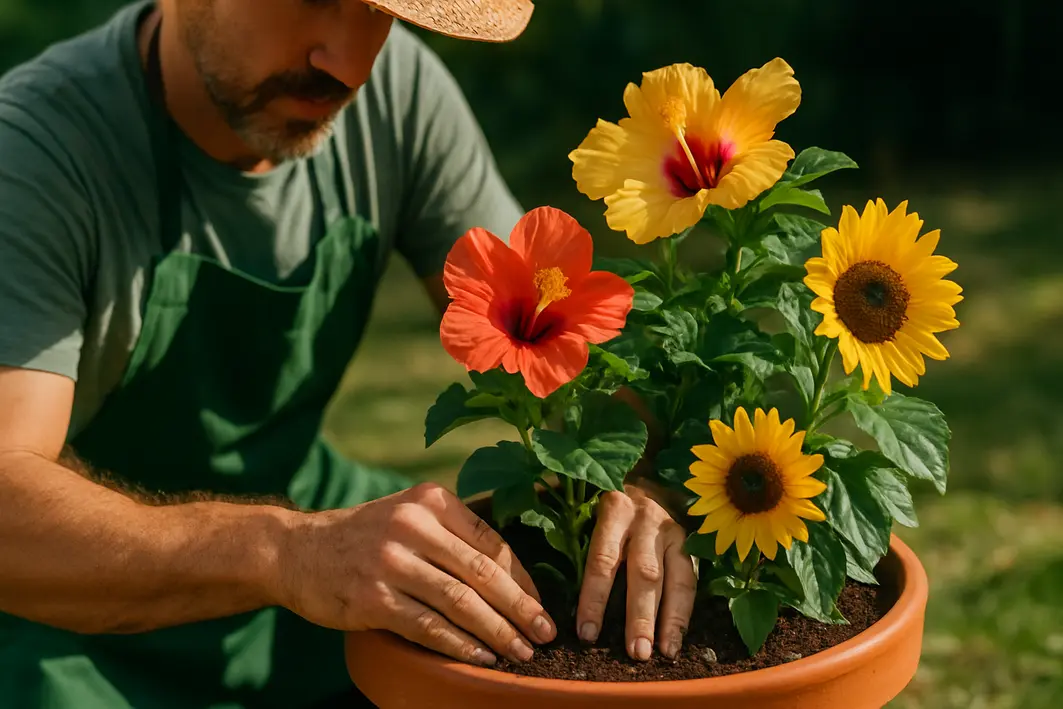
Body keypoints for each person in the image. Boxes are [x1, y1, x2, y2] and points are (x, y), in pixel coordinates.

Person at [0, 0, 697, 706]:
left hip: (305, 543)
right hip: (71, 625)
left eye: (383, 13)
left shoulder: (397, 93)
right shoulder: (34, 150)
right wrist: (282, 551)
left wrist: (640, 481)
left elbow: (559, 327)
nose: (351, 65)